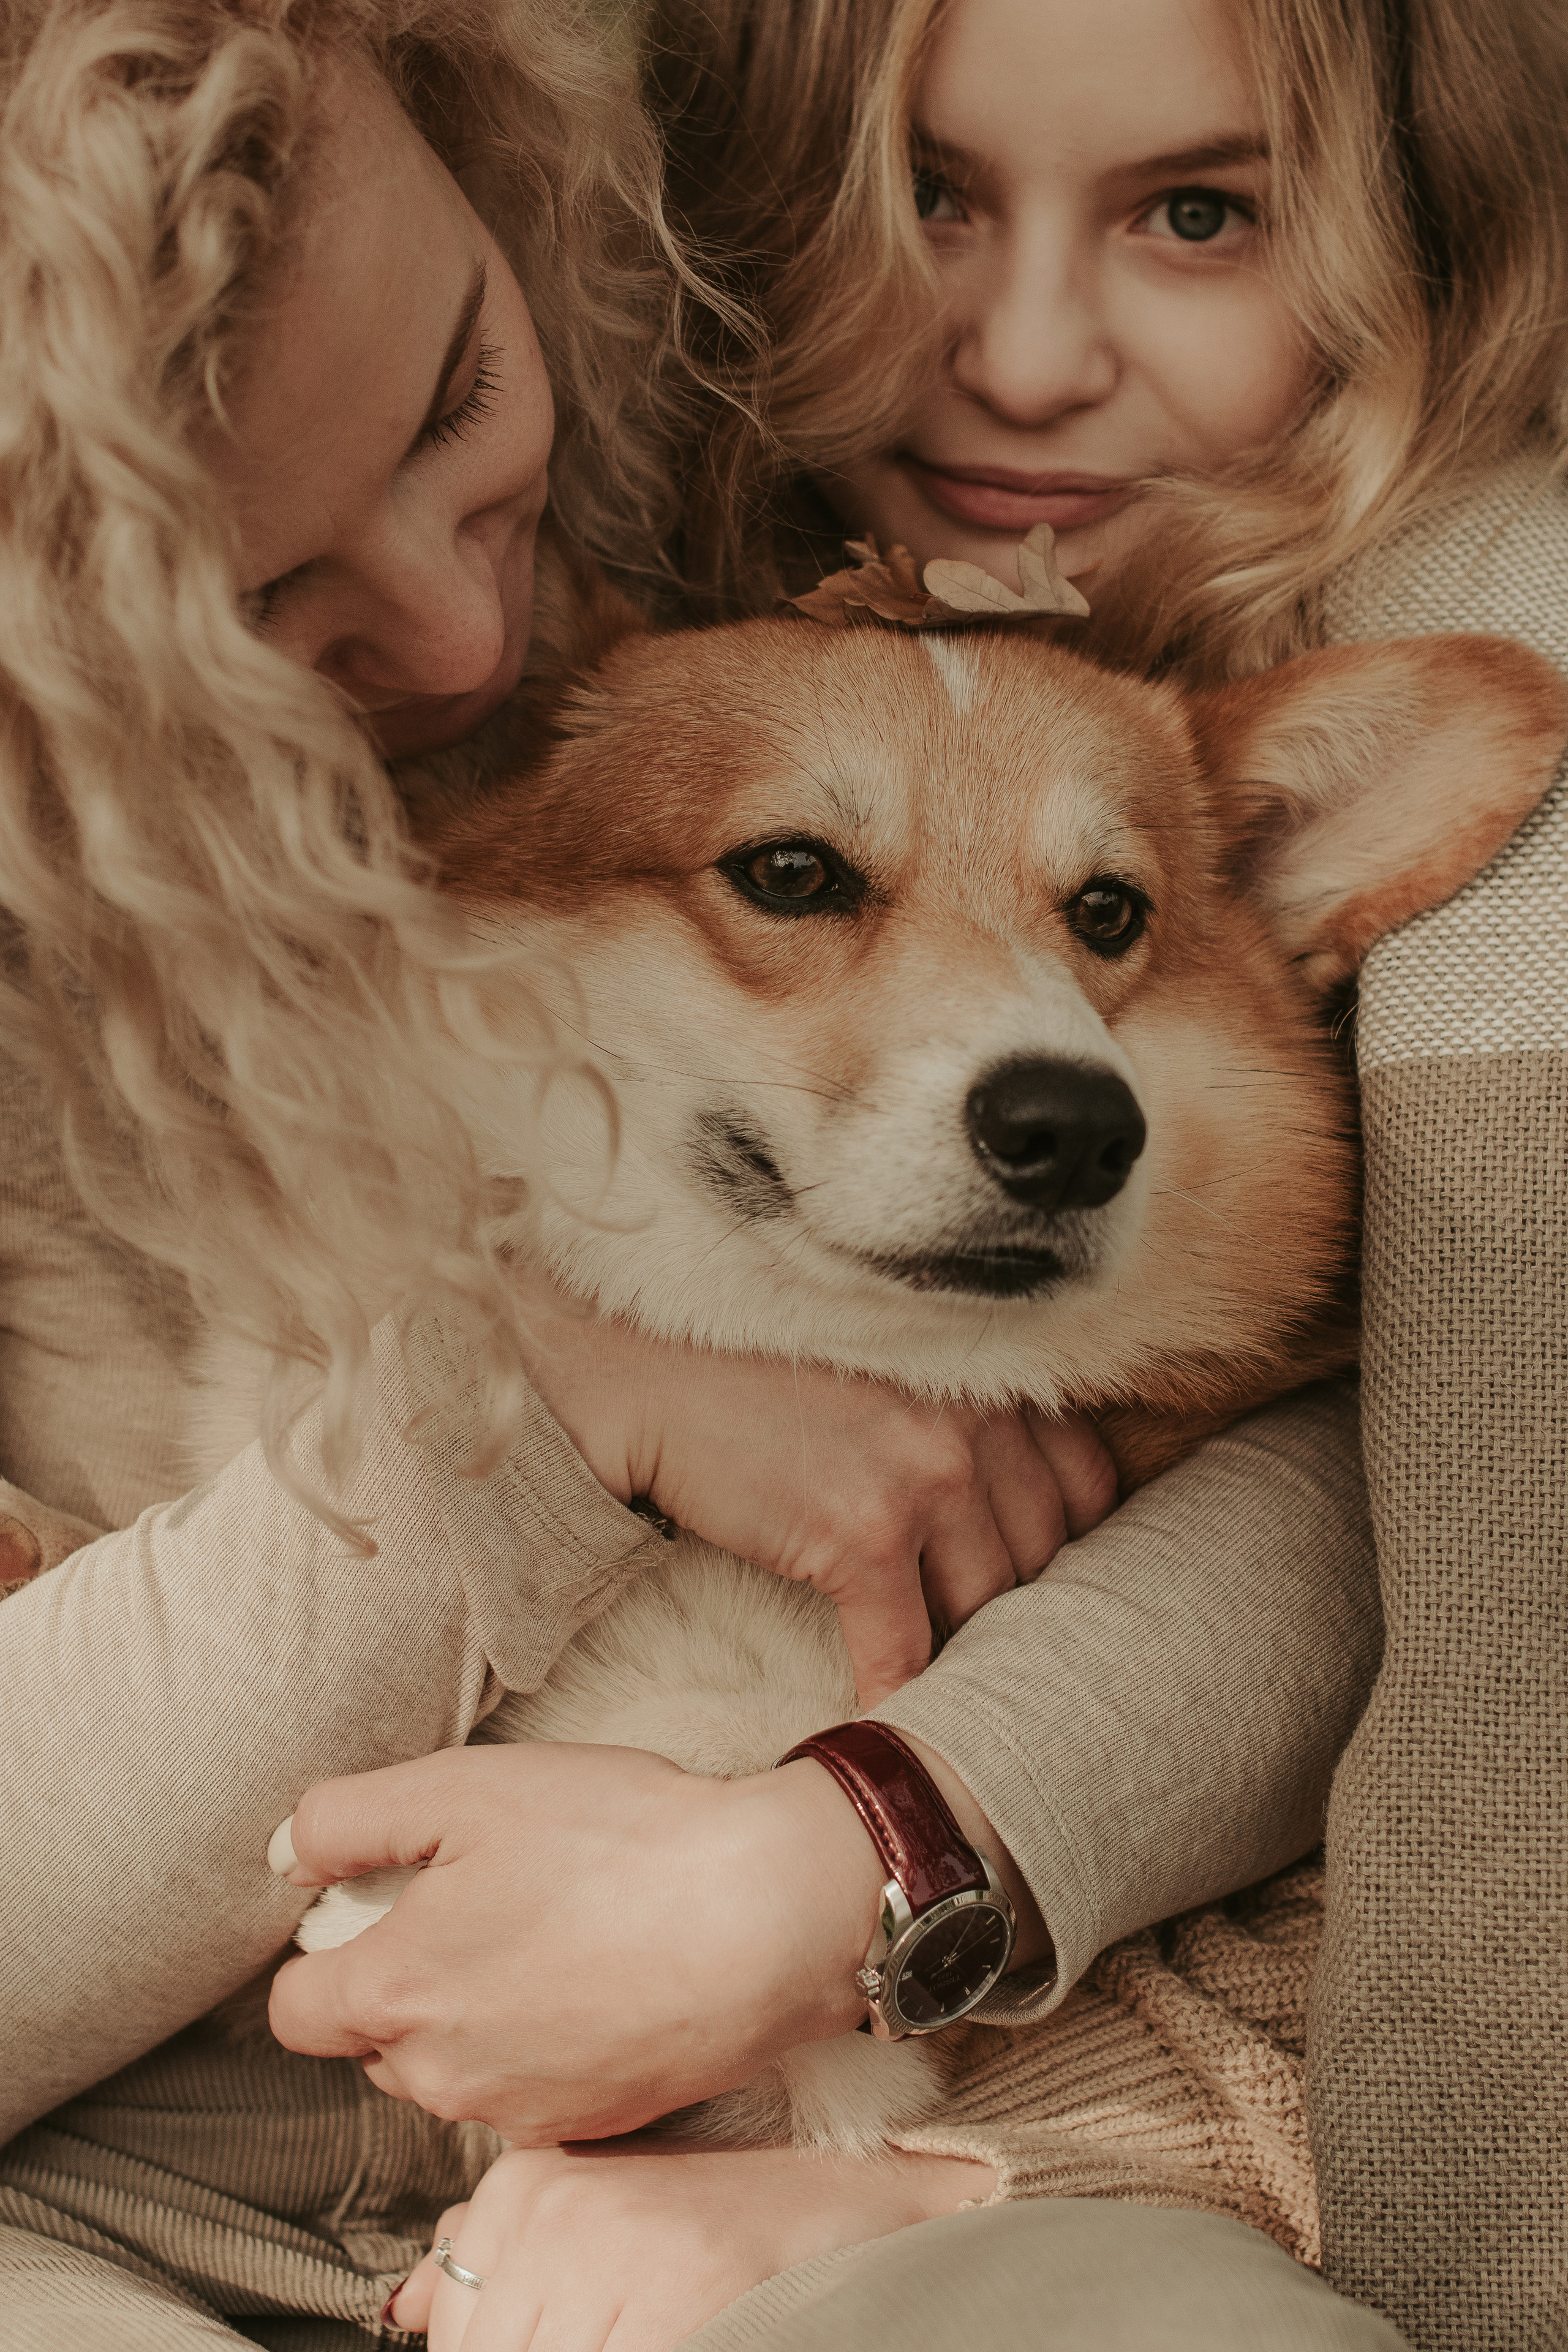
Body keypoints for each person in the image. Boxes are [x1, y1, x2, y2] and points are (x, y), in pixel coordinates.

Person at [0, 3, 1384, 2350]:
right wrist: (567, 1413)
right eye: (258, 605)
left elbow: (1373, 1522)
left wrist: (853, 1853)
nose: (460, 631)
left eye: (456, 404)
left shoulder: (854, 544)